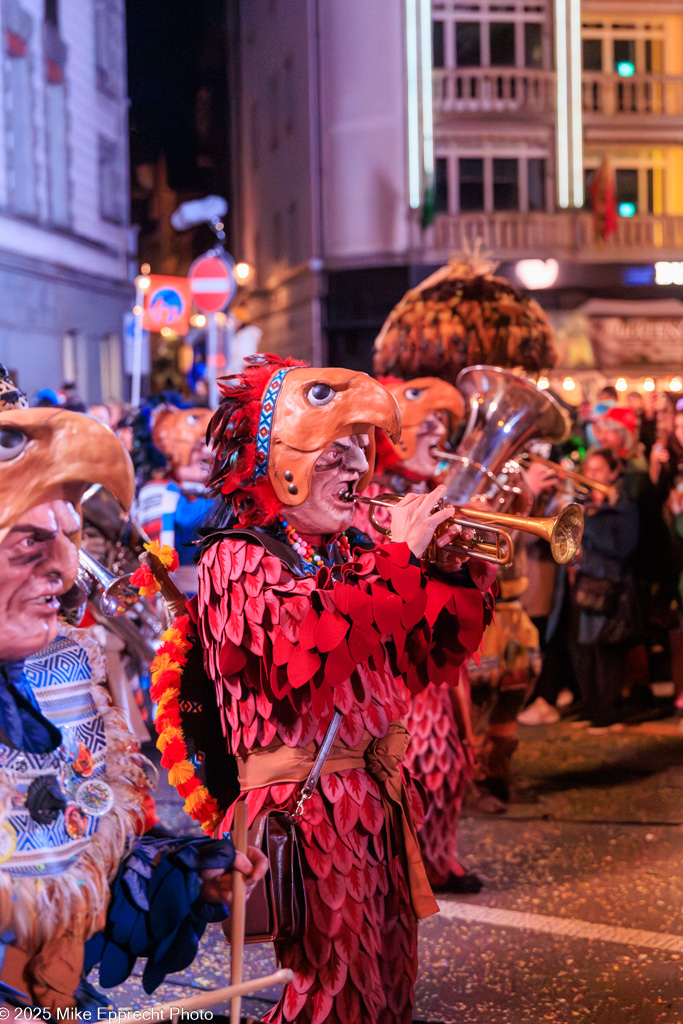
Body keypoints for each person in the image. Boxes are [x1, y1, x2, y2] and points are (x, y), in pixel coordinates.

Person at [163, 355, 496, 1024]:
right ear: (281, 457)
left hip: (375, 803)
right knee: (332, 989)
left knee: (389, 979)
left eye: (359, 454)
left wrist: (451, 573)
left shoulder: (352, 553)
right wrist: (403, 558)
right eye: (334, 453)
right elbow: (307, 649)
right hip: (308, 809)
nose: (355, 470)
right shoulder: (237, 554)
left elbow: (428, 660)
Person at [0, 376, 267, 1013]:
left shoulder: (56, 670)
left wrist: (184, 875)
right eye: (30, 541)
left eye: (66, 535)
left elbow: (61, 865)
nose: (67, 571)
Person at [355, 377, 483, 892]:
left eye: (442, 425)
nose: (437, 431)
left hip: (437, 646)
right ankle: (408, 862)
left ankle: (439, 856)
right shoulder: (371, 498)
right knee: (421, 762)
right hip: (400, 655)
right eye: (423, 424)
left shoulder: (436, 490)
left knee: (450, 760)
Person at [568, 448, 640, 730]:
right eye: (589, 469)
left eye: (599, 469)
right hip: (583, 582)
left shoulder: (625, 506)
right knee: (580, 648)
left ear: (612, 473)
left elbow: (621, 547)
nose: (592, 475)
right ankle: (590, 707)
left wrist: (590, 519)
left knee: (606, 650)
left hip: (610, 586)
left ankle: (606, 712)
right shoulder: (583, 502)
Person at [135, 405, 213, 594]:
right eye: (199, 446)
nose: (209, 453)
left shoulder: (208, 490)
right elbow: (188, 518)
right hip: (176, 601)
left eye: (211, 444)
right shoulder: (156, 489)